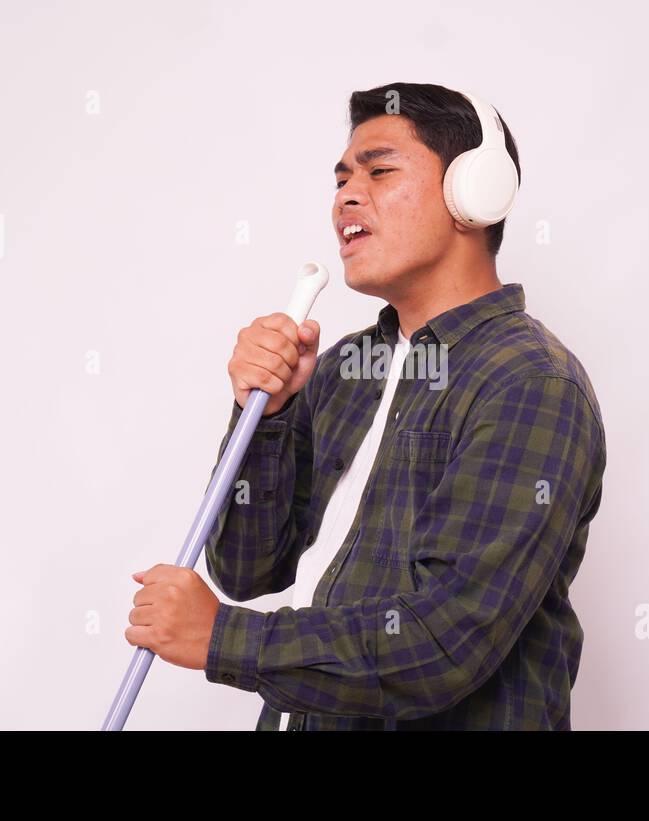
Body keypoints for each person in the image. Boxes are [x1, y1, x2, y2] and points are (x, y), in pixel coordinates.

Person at [124, 82, 606, 730]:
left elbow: (441, 643)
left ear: (476, 192)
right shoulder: (348, 367)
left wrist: (220, 637)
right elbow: (245, 567)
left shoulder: (530, 384)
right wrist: (265, 420)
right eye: (342, 178)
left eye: (380, 171)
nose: (347, 196)